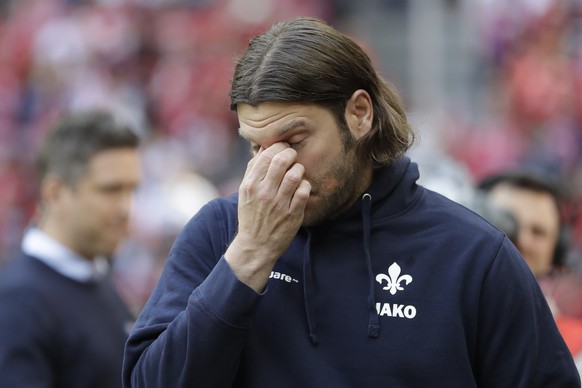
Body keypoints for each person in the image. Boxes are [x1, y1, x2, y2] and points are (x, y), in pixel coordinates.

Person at [123, 17, 580, 387]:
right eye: (257, 146)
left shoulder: (474, 256)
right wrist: (248, 258)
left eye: (294, 139)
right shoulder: (221, 233)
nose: (274, 168)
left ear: (359, 114)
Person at [0, 109, 142, 388]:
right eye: (110, 190)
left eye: (131, 190)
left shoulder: (95, 278)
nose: (126, 208)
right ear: (55, 194)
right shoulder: (17, 302)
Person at [478, 169, 582, 377]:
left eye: (538, 232)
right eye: (506, 222)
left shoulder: (577, 351)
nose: (521, 241)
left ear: (557, 253)